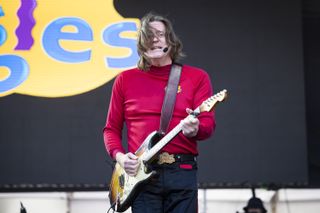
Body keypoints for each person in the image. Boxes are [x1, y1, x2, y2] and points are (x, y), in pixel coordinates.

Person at [103, 12, 215, 213]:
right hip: (141, 175)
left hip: (182, 171)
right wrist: (121, 158)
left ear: (171, 40)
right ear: (140, 44)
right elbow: (110, 129)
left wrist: (194, 129)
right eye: (148, 35)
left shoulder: (197, 77)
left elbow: (207, 126)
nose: (154, 40)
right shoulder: (125, 80)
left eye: (160, 34)